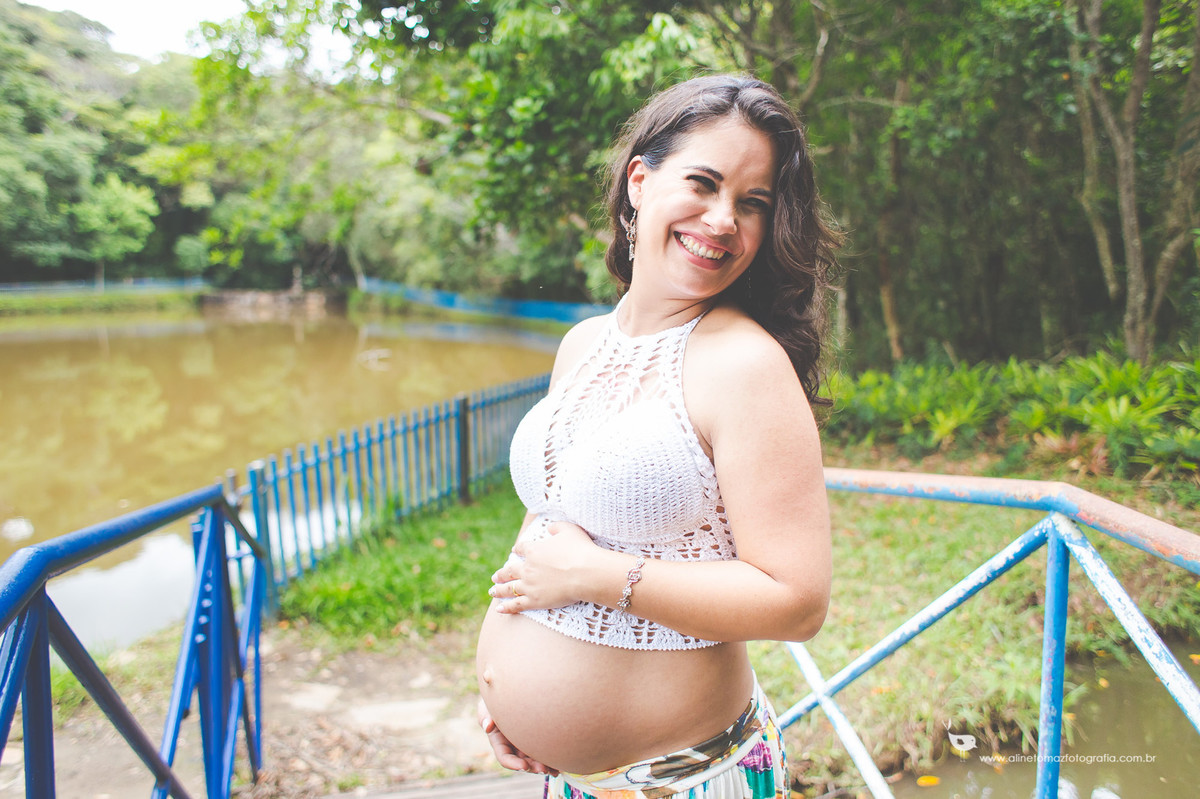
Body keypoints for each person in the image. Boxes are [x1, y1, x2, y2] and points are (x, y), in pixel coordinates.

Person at [475, 73, 840, 799]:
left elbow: (798, 600)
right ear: (640, 181)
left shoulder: (745, 363)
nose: (723, 218)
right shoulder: (583, 344)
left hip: (686, 780)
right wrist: (505, 691)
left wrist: (598, 579)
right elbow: (550, 526)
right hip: (571, 779)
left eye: (753, 203)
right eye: (703, 183)